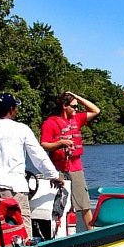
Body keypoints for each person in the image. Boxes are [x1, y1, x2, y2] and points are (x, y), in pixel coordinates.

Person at [0, 93, 64, 238]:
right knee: (22, 230)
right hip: (14, 190)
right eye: (15, 108)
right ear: (11, 109)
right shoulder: (21, 129)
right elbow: (39, 157)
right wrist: (55, 176)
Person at [40, 91, 101, 230]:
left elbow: (96, 110)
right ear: (64, 106)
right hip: (58, 168)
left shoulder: (77, 119)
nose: (76, 109)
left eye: (77, 106)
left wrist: (77, 97)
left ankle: (90, 232)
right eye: (74, 106)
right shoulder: (50, 123)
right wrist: (60, 143)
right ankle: (61, 231)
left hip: (76, 167)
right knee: (60, 204)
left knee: (84, 203)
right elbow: (44, 144)